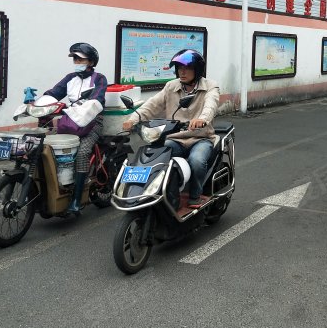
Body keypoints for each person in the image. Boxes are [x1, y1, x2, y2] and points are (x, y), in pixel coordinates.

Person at [122, 49, 219, 209]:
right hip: (176, 138)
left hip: (200, 138)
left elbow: (211, 105)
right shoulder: (171, 86)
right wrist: (133, 119)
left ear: (198, 70)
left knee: (196, 161)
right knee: (152, 156)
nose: (182, 71)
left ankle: (195, 196)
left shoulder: (210, 87)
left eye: (187, 68)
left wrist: (202, 119)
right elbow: (152, 105)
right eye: (179, 68)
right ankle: (164, 194)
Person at [41, 42, 107, 213]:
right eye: (75, 59)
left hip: (92, 122)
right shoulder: (70, 78)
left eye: (80, 59)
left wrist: (84, 107)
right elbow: (54, 93)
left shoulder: (99, 78)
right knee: (49, 147)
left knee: (82, 152)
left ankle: (76, 200)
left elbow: (97, 99)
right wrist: (40, 102)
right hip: (70, 122)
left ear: (91, 62)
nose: (77, 62)